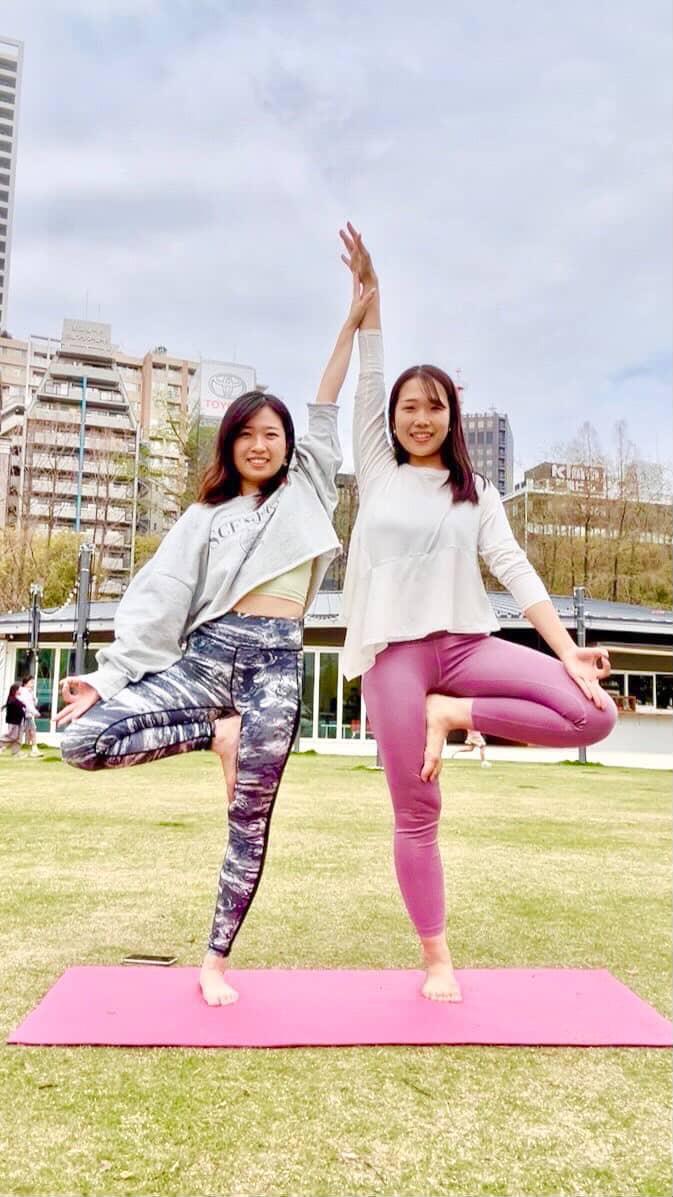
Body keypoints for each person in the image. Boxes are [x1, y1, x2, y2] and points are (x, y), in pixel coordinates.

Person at [57, 270, 377, 1007]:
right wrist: (107, 678)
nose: (259, 445)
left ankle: (214, 961)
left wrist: (355, 319)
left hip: (276, 669)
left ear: (288, 445)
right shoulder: (204, 517)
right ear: (228, 445)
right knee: (81, 741)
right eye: (246, 435)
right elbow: (159, 597)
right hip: (206, 661)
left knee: (250, 818)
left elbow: (327, 403)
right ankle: (214, 734)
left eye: (271, 434)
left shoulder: (309, 489)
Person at [339, 222, 617, 1004]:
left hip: (464, 648)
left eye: (433, 408)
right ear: (392, 417)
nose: (418, 418)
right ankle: (436, 959)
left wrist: (564, 651)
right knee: (416, 810)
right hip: (394, 657)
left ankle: (452, 714)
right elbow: (368, 373)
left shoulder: (477, 491)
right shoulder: (376, 469)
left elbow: (514, 567)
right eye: (408, 407)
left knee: (591, 714)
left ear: (451, 416)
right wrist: (370, 296)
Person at [16, 676, 43, 758]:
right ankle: (13, 750)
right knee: (18, 734)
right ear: (25, 683)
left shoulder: (29, 692)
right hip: (22, 715)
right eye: (31, 682)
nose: (33, 684)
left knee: (33, 731)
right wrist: (35, 712)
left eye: (33, 682)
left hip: (28, 716)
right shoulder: (24, 691)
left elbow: (32, 703)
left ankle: (34, 750)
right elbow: (27, 704)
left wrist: (34, 699)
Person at [0, 684, 25, 758]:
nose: (21, 691)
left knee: (18, 737)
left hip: (20, 720)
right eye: (19, 689)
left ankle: (16, 752)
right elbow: (14, 707)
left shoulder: (16, 698)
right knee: (12, 736)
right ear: (15, 690)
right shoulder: (12, 699)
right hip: (14, 721)